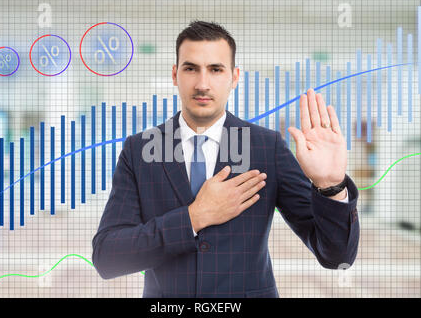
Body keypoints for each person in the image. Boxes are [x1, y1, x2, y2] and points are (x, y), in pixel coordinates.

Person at [92, 20, 359, 298]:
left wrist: (331, 186)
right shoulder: (140, 150)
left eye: (216, 69)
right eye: (191, 68)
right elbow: (107, 257)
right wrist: (194, 217)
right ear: (175, 75)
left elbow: (337, 256)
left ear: (234, 77)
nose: (202, 83)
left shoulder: (266, 147)